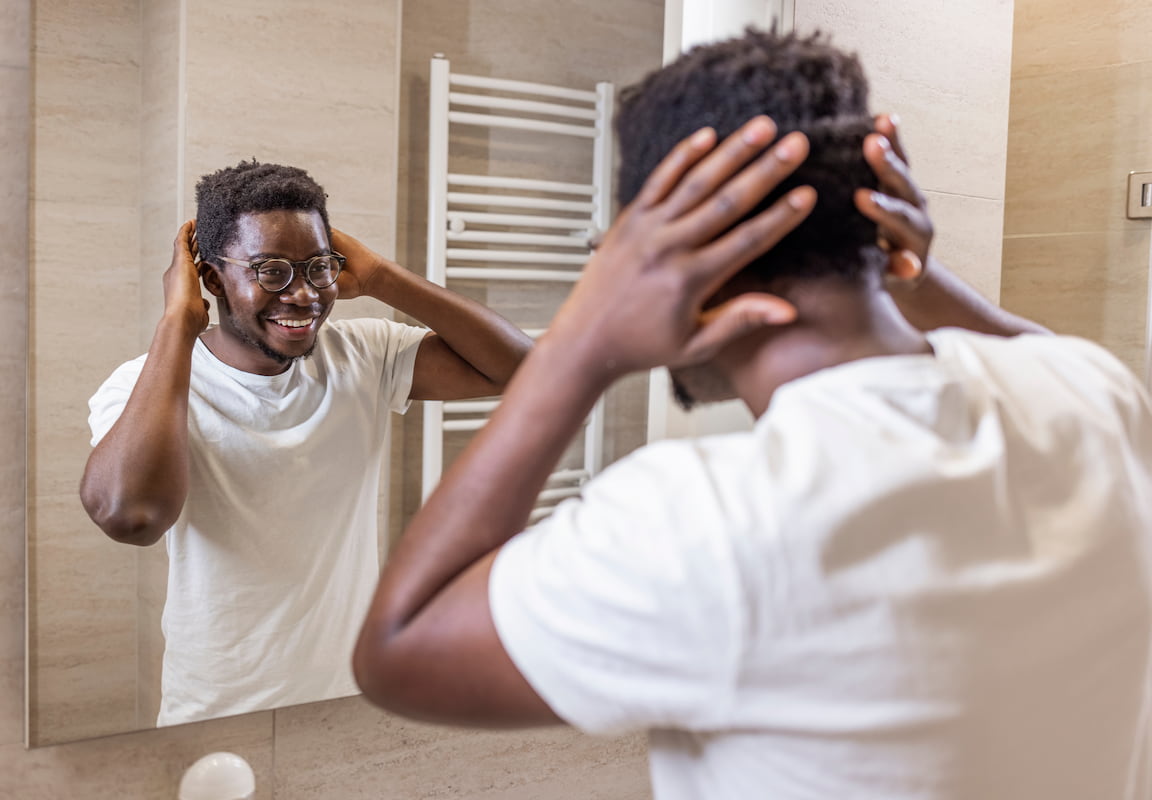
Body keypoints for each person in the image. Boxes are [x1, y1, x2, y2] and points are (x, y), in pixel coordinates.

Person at [352, 30, 1152, 799]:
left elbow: (397, 646)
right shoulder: (1091, 402)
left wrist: (583, 341)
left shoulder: (710, 522)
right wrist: (907, 264)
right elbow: (1034, 353)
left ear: (682, 261)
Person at [80, 160, 531, 726]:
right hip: (220, 711)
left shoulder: (363, 355)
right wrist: (177, 322)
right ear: (213, 280)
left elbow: (525, 370)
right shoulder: (145, 384)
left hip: (351, 700)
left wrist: (381, 277)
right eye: (271, 271)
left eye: (318, 268)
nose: (302, 294)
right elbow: (131, 517)